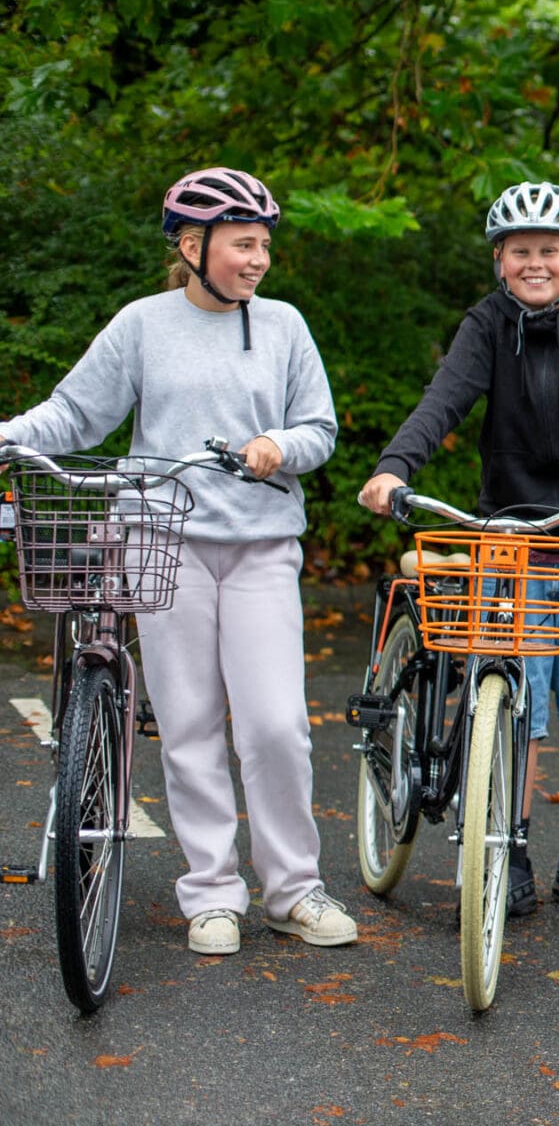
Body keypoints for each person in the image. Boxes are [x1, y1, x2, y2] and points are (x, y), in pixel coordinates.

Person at [0, 167, 354, 955]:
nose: (258, 259)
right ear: (192, 247)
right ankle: (213, 895)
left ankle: (293, 890)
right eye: (242, 244)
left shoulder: (287, 327)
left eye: (263, 245)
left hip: (261, 545)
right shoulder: (141, 326)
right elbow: (72, 411)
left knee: (274, 726)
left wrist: (277, 447)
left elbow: (320, 429)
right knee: (189, 724)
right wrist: (7, 436)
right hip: (164, 540)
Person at [357, 181, 559, 922]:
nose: (536, 264)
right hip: (511, 538)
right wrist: (395, 465)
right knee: (517, 704)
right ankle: (510, 848)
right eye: (520, 251)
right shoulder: (488, 324)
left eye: (550, 251)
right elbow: (445, 399)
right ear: (500, 261)